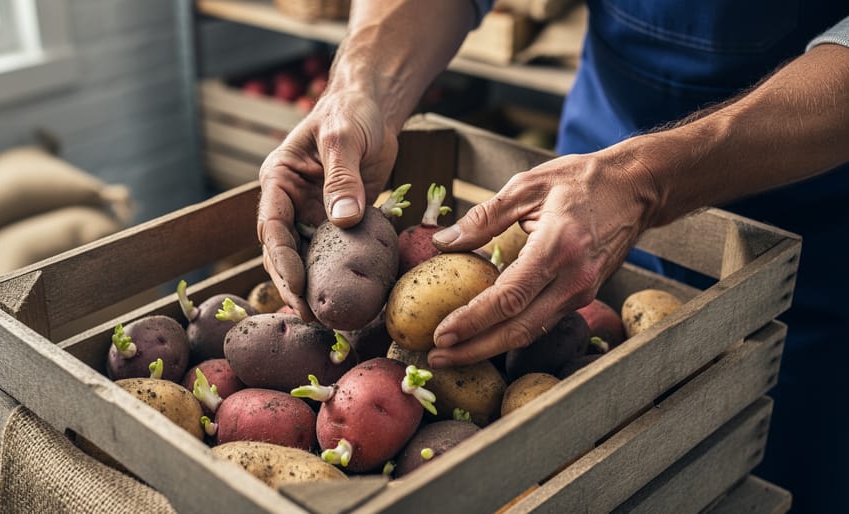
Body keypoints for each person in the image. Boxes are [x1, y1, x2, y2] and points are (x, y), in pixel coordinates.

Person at [256, 1, 849, 511]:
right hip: (588, 162)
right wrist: (362, 88)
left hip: (806, 201)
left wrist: (646, 180)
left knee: (754, 464)